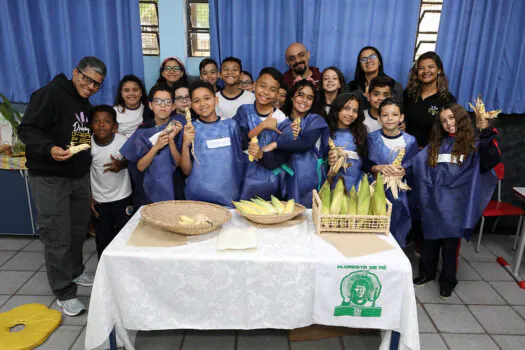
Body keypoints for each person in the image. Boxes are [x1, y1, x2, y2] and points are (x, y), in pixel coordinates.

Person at [18, 56, 106, 316]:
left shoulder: (84, 103)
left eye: (97, 84)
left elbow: (79, 137)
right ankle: (64, 291)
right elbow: (27, 130)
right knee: (57, 235)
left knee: (78, 229)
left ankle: (76, 271)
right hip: (50, 177)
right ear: (75, 73)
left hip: (77, 177)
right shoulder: (50, 94)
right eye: (87, 79)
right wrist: (49, 149)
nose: (90, 86)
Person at [411, 103, 500, 299]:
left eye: (451, 118)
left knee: (451, 246)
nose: (448, 123)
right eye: (443, 120)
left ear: (460, 118)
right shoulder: (436, 144)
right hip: (434, 201)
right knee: (430, 241)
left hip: (456, 204)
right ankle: (426, 273)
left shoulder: (473, 144)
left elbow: (491, 159)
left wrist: (485, 133)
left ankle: (448, 281)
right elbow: (418, 163)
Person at [262, 80, 328, 207]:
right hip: (281, 175)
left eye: (309, 98)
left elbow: (307, 143)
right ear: (292, 97)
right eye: (300, 95)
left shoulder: (315, 120)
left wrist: (276, 145)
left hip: (308, 177)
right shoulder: (280, 119)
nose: (304, 100)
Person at [181, 82, 245, 206]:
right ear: (191, 106)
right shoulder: (190, 129)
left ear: (216, 100)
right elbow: (186, 170)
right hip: (198, 197)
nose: (203, 104)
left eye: (207, 98)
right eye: (196, 101)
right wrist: (185, 144)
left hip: (229, 196)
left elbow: (239, 160)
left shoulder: (231, 126)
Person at [120, 84, 184, 204]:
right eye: (158, 101)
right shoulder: (142, 131)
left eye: (167, 102)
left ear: (173, 106)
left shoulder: (180, 126)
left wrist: (171, 140)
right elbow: (140, 166)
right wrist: (156, 147)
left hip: (175, 186)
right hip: (150, 189)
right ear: (150, 105)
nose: (162, 105)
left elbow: (179, 163)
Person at [367, 98, 419, 247]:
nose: (390, 118)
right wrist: (378, 167)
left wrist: (405, 170)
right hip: (375, 190)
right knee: (374, 229)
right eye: (385, 115)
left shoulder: (410, 141)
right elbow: (365, 163)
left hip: (399, 194)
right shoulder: (371, 139)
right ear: (378, 118)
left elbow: (413, 166)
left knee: (396, 227)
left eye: (394, 115)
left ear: (401, 117)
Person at [233, 67, 288, 200]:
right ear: (254, 85)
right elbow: (239, 141)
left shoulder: (281, 120)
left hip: (269, 181)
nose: (266, 92)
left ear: (277, 94)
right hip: (241, 174)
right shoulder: (244, 111)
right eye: (262, 86)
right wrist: (263, 126)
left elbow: (282, 156)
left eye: (272, 90)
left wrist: (262, 155)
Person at [89, 105, 132, 258]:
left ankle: (125, 267)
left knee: (125, 236)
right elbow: (82, 172)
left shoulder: (122, 140)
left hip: (123, 197)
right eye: (96, 121)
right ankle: (104, 272)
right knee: (103, 239)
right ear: (90, 125)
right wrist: (90, 196)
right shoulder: (88, 144)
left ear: (114, 126)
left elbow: (135, 162)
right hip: (100, 201)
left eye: (106, 121)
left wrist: (122, 164)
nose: (101, 125)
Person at [404, 51, 456, 148]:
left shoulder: (447, 99)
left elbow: (452, 130)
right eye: (421, 68)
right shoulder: (408, 94)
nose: (425, 71)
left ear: (439, 70)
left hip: (432, 153)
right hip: (406, 151)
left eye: (430, 67)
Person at [326, 93, 369, 191]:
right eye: (346, 108)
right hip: (332, 188)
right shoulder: (326, 132)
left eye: (355, 111)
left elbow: (365, 161)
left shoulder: (360, 133)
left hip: (356, 187)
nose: (351, 114)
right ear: (337, 109)